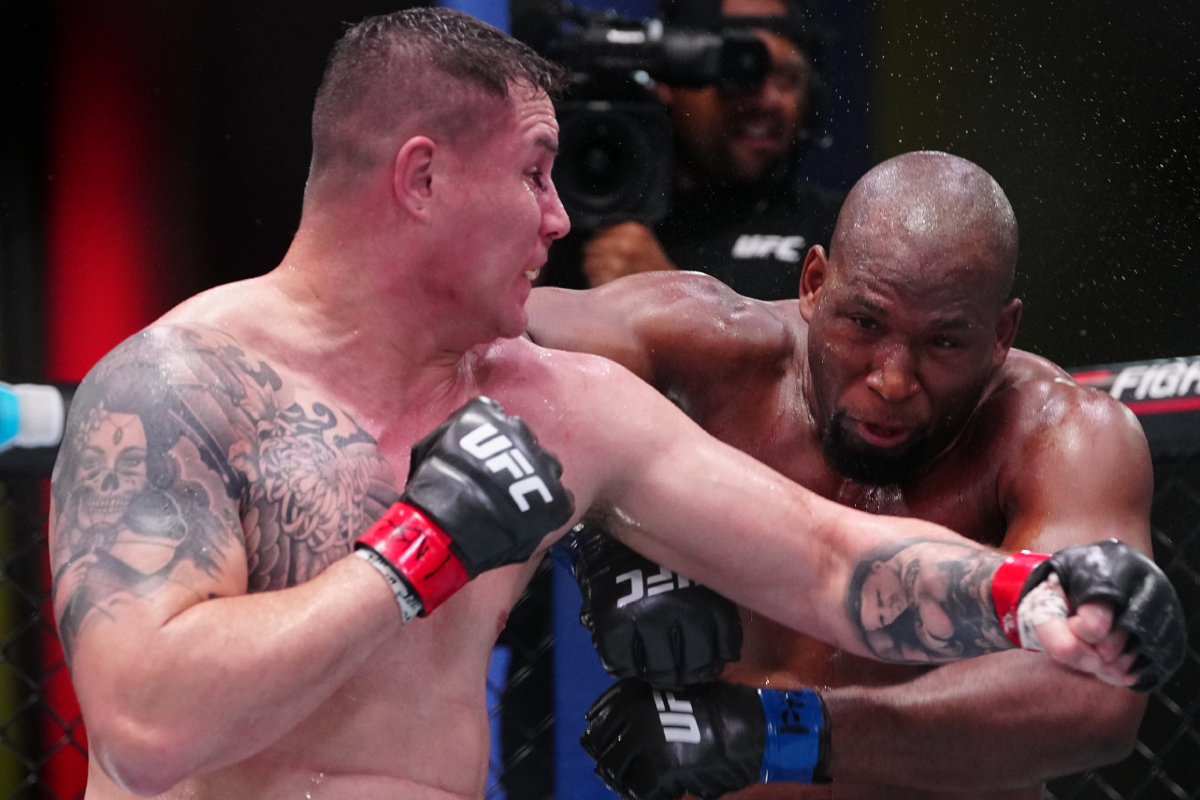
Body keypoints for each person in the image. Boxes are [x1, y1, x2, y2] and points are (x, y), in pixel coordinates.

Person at [47, 11, 1178, 798]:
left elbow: (831, 559)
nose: (560, 217)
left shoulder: (551, 402)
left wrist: (1037, 597)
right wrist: (413, 554)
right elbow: (146, 727)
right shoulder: (176, 386)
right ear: (423, 178)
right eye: (533, 173)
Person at [526, 151, 1181, 799]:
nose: (892, 379)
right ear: (814, 283)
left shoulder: (1058, 434)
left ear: (1002, 333)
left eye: (943, 342)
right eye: (865, 323)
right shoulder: (708, 351)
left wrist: (776, 732)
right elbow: (489, 346)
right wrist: (610, 531)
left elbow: (1096, 699)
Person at [560, 0, 843, 299]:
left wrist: (669, 296)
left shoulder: (838, 232)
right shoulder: (565, 217)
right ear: (668, 81)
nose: (767, 100)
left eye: (786, 78)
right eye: (740, 71)